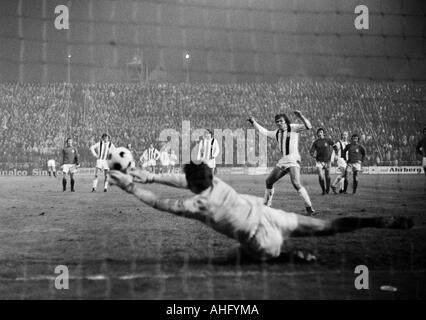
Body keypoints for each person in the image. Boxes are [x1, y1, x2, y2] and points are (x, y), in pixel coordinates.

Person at [108, 162, 413, 261]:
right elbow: (181, 179)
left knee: (226, 262)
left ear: (193, 185)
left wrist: (132, 186)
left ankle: (291, 258)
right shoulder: (216, 182)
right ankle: (378, 221)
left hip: (259, 238)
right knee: (326, 226)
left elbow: (160, 203)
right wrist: (146, 175)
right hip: (271, 215)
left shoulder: (196, 205)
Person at [248, 111, 315, 215]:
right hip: (283, 160)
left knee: (296, 183)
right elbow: (263, 131)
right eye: (277, 121)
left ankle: (309, 207)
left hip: (293, 159)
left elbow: (309, 126)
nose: (279, 123)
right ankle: (267, 205)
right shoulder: (276, 133)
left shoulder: (293, 127)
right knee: (269, 181)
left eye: (281, 121)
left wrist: (301, 116)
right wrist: (253, 122)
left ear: (285, 121)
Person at [309, 128, 334, 195]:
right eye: (319, 132)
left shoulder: (328, 140)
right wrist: (312, 154)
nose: (320, 133)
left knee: (327, 176)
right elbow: (311, 150)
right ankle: (323, 191)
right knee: (320, 176)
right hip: (319, 161)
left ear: (323, 133)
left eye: (321, 132)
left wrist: (335, 154)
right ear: (317, 134)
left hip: (327, 161)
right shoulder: (316, 142)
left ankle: (327, 189)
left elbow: (334, 146)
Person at [416, 127, 426, 192]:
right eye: (425, 132)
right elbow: (417, 148)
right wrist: (421, 153)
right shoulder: (422, 140)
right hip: (425, 158)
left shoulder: (422, 140)